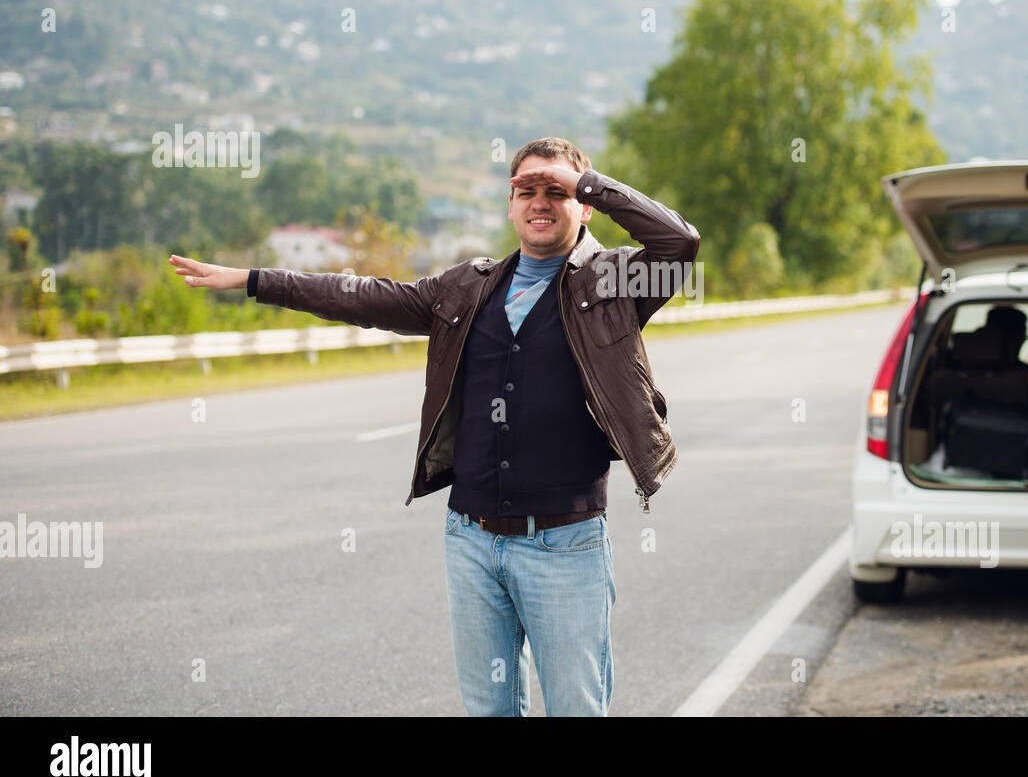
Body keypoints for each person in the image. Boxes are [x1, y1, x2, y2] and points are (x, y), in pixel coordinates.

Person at [168, 137, 700, 716]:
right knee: (489, 711)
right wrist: (253, 280)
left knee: (576, 709)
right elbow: (363, 296)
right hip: (470, 540)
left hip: (565, 543)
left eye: (558, 191)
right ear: (510, 203)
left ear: (585, 205)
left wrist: (586, 180)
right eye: (527, 189)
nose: (541, 202)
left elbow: (679, 242)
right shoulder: (466, 287)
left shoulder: (613, 283)